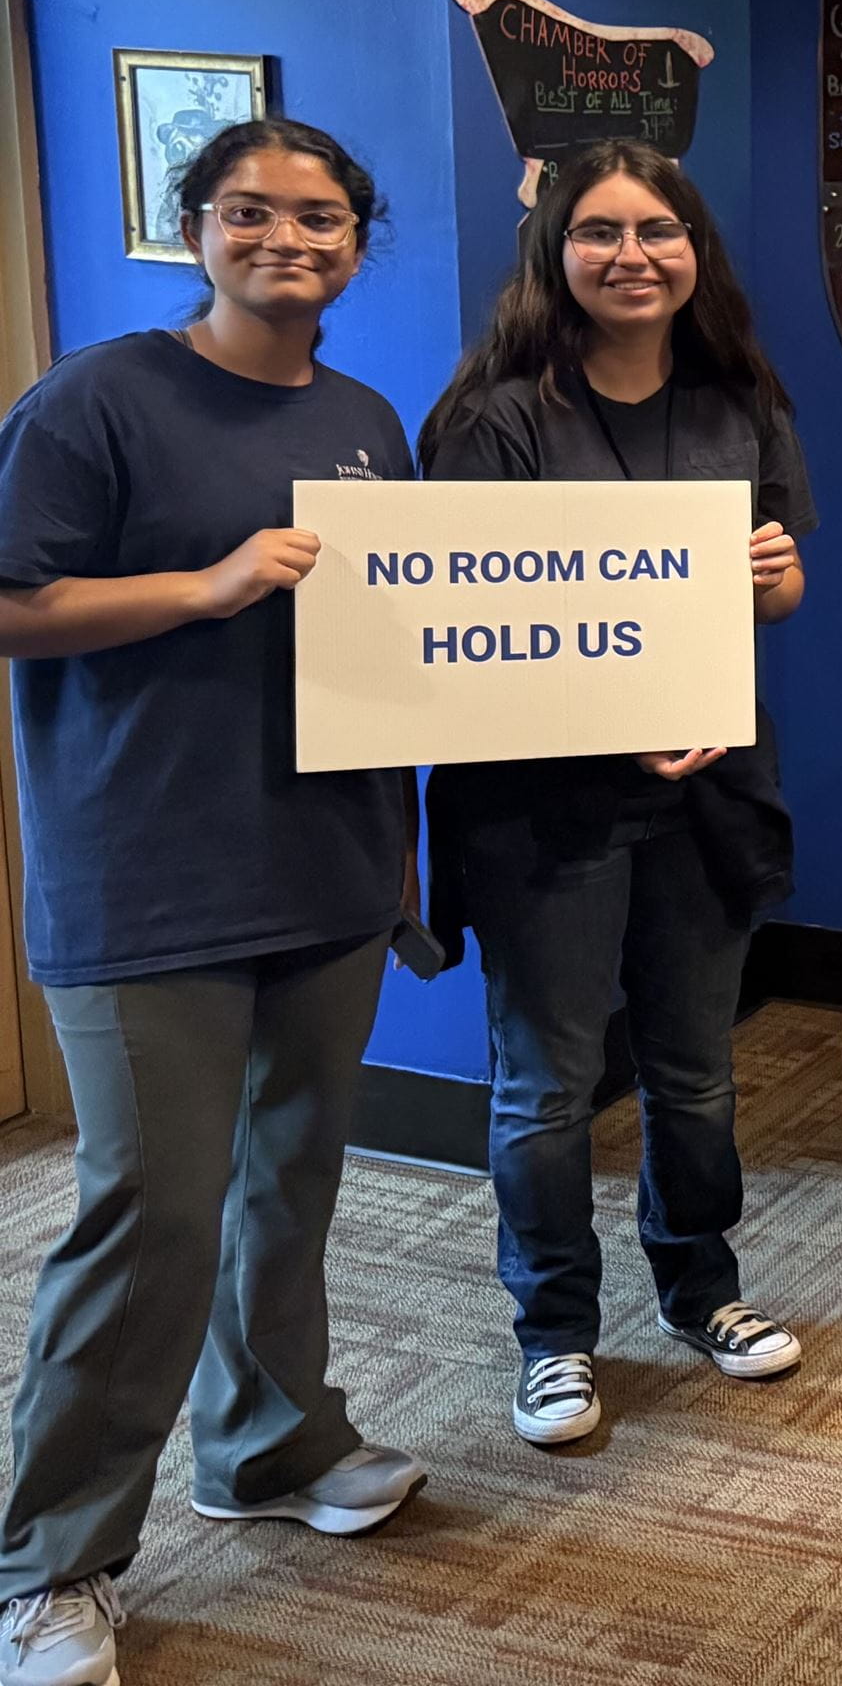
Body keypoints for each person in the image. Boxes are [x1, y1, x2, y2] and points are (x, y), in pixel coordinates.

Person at [0, 119, 425, 1686]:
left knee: (289, 1181)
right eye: (249, 211)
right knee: (151, 1212)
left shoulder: (366, 420)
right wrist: (209, 585)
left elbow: (405, 638)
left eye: (319, 218)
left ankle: (268, 1443)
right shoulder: (95, 401)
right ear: (196, 230)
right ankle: (50, 1565)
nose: (285, 239)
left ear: (356, 246)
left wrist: (403, 849)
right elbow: (11, 602)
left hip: (325, 865)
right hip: (146, 874)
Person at [418, 139, 814, 1447]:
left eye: (659, 230)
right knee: (547, 1083)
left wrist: (771, 582)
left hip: (707, 789)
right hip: (541, 803)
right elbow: (465, 623)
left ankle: (702, 1291)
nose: (632, 255)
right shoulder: (494, 417)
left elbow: (779, 590)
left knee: (695, 1073)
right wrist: (612, 720)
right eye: (600, 231)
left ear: (694, 249)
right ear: (557, 251)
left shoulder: (738, 396)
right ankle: (554, 1337)